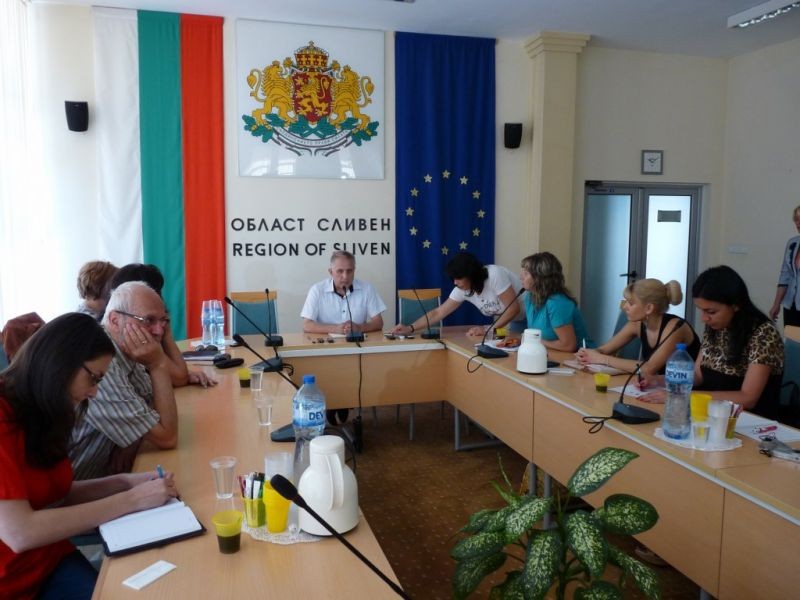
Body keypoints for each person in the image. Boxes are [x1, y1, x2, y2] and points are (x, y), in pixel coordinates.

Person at [0, 313, 178, 599]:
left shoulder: (44, 410)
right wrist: (132, 500)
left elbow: (55, 493)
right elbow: (20, 533)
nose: (95, 392)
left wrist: (124, 483)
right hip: (10, 580)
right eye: (93, 378)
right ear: (59, 363)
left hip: (47, 561)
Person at [69, 281, 181, 480]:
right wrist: (158, 365)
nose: (159, 331)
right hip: (74, 488)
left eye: (163, 320)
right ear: (114, 320)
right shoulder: (100, 362)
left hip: (103, 479)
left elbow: (151, 405)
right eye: (148, 320)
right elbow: (167, 437)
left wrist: (134, 439)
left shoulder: (126, 350)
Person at [641, 266, 783, 418]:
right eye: (701, 310)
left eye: (711, 312)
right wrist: (658, 380)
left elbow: (748, 398)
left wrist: (682, 396)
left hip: (748, 420)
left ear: (735, 304)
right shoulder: (716, 327)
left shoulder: (763, 333)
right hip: (711, 413)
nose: (704, 318)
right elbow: (698, 375)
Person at [111, 263, 214, 388]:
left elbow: (178, 374)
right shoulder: (128, 326)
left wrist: (164, 325)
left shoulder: (153, 322)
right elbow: (179, 377)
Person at [575, 278, 699, 378]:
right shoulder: (637, 324)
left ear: (649, 308)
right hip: (660, 388)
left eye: (631, 303)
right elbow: (603, 350)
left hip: (690, 392)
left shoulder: (675, 327)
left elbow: (649, 368)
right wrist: (588, 354)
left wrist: (601, 359)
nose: (625, 307)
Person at [390, 252, 525, 337]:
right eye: (453, 279)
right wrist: (410, 328)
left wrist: (487, 330)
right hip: (516, 321)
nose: (455, 282)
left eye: (458, 278)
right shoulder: (462, 289)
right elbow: (438, 313)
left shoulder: (494, 275)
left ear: (471, 275)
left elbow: (513, 309)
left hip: (531, 315)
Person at [519, 252, 593, 351]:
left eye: (526, 273)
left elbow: (568, 345)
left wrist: (535, 341)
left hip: (581, 356)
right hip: (550, 353)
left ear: (540, 277)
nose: (521, 277)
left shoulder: (557, 302)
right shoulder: (530, 297)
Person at [301, 250, 387, 336]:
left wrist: (359, 328)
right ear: (331, 272)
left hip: (357, 342)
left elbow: (378, 322)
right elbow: (306, 325)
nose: (345, 276)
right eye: (340, 271)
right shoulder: (317, 290)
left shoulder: (367, 289)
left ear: (354, 270)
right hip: (326, 342)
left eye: (349, 271)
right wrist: (335, 329)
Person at [769, 204, 800, 326]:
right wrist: (776, 304)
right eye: (796, 219)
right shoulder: (792, 243)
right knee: (791, 337)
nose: (798, 223)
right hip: (790, 305)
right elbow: (784, 276)